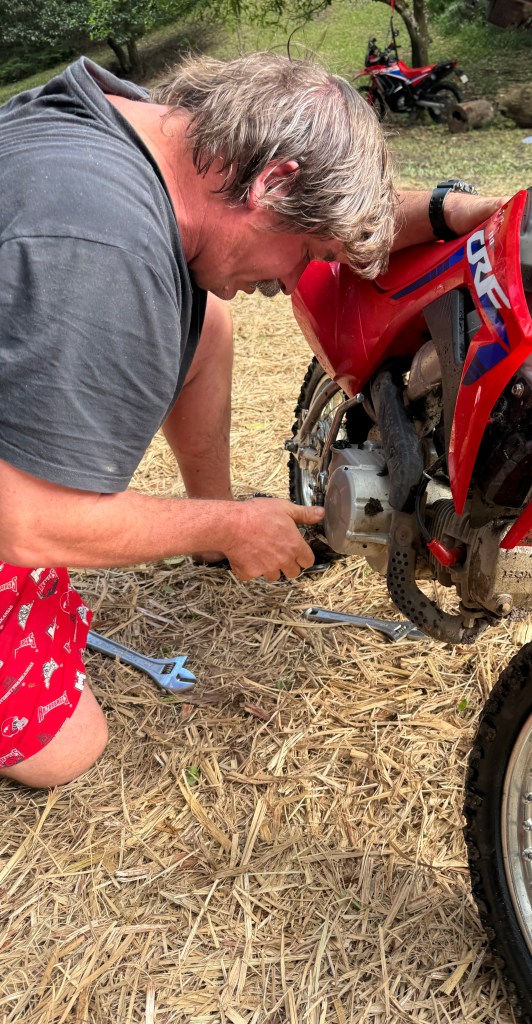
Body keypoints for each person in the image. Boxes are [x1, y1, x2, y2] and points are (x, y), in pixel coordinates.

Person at [0, 52, 504, 789]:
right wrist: (231, 526)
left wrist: (441, 210)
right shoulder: (101, 251)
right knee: (65, 747)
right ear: (273, 183)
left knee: (206, 324)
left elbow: (300, 218)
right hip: (14, 514)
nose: (291, 280)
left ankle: (209, 527)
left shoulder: (144, 134)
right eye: (307, 253)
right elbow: (25, 521)